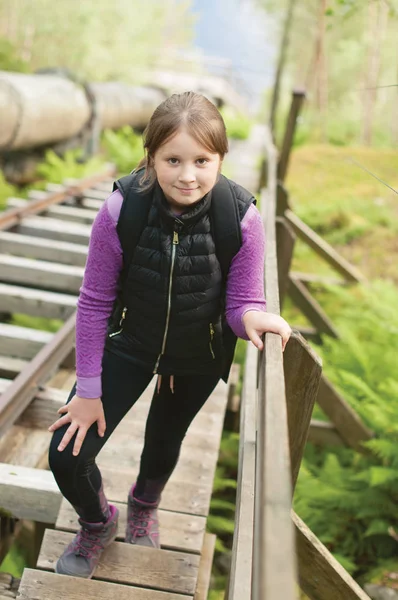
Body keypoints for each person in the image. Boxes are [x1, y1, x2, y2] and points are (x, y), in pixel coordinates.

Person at [48, 91, 291, 579]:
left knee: (164, 439)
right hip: (129, 341)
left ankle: (144, 504)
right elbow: (94, 302)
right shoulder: (121, 210)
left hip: (195, 353)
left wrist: (253, 319)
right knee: (65, 455)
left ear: (221, 158)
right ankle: (98, 522)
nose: (188, 175)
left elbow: (242, 302)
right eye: (173, 159)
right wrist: (89, 390)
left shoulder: (241, 216)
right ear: (151, 156)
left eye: (203, 160)